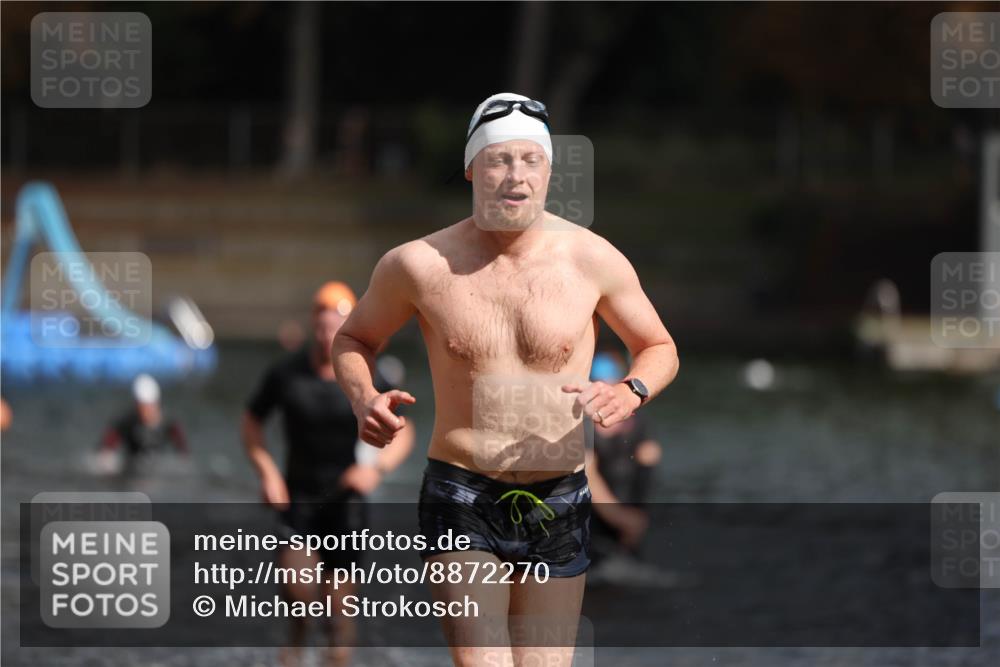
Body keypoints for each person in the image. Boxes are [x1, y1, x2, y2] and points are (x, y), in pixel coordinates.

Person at [332, 93, 679, 667]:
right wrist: (363, 397)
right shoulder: (418, 264)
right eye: (498, 160)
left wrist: (630, 389)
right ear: (472, 168)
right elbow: (352, 339)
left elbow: (659, 347)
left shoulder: (593, 260)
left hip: (558, 495)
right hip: (462, 491)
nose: (515, 176)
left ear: (548, 171)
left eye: (530, 160)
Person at [241, 281, 415, 667]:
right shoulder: (286, 373)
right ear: (311, 325)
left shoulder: (363, 376)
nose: (326, 334)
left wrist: (375, 468)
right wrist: (267, 472)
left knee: (338, 612)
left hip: (346, 501)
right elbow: (252, 422)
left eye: (336, 325)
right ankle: (296, 643)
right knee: (297, 592)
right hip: (298, 496)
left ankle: (337, 657)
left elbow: (406, 430)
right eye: (320, 325)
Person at [585, 350, 662, 563]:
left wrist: (639, 515)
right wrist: (620, 518)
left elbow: (649, 458)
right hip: (597, 517)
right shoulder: (582, 424)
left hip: (629, 509)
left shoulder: (638, 421)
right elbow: (586, 474)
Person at [98, 374, 188, 474]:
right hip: (131, 473)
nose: (146, 412)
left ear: (156, 404)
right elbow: (105, 449)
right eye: (143, 408)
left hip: (157, 473)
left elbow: (184, 454)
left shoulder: (168, 423)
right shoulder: (127, 422)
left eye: (150, 407)